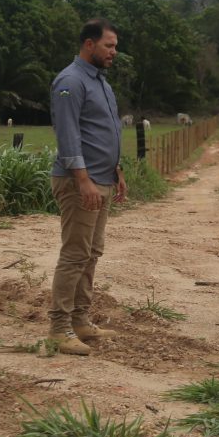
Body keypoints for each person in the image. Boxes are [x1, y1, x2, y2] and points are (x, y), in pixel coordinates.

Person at [47, 18, 127, 355]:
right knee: (75, 254)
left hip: (102, 179)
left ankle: (80, 319)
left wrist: (116, 170)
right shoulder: (71, 81)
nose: (113, 53)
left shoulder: (101, 83)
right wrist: (84, 181)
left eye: (115, 47)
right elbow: (68, 136)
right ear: (89, 44)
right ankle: (58, 328)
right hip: (80, 183)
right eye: (109, 46)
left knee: (91, 253)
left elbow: (103, 131)